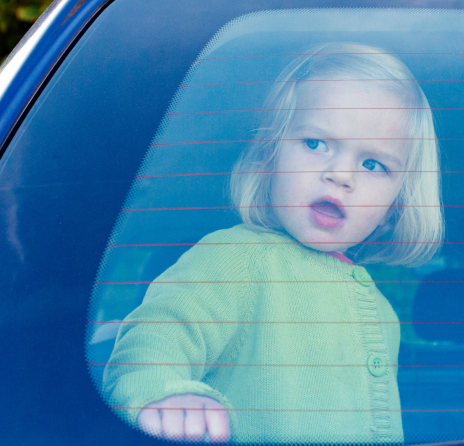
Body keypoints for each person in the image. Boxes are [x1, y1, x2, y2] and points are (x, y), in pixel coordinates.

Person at [102, 42, 444, 443]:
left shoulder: (383, 315)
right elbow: (156, 336)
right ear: (269, 158)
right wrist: (168, 395)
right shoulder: (236, 258)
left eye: (373, 164)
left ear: (394, 206)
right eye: (316, 144)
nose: (340, 174)